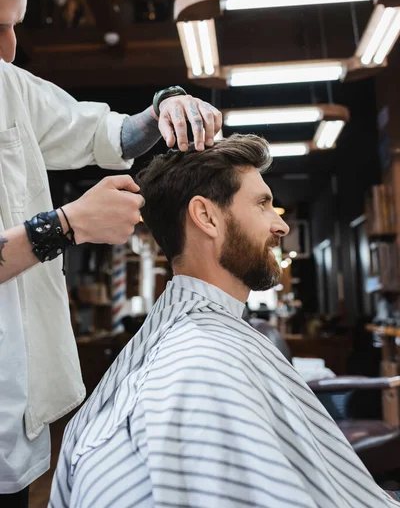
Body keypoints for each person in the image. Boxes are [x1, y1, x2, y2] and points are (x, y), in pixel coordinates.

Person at [0, 0, 222, 505]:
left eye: (14, 25)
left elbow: (108, 135)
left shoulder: (8, 86)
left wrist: (166, 108)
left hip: (15, 418)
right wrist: (66, 225)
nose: (9, 49)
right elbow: (57, 227)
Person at [50, 134, 398, 507]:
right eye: (263, 204)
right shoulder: (200, 364)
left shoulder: (201, 343)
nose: (280, 227)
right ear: (206, 217)